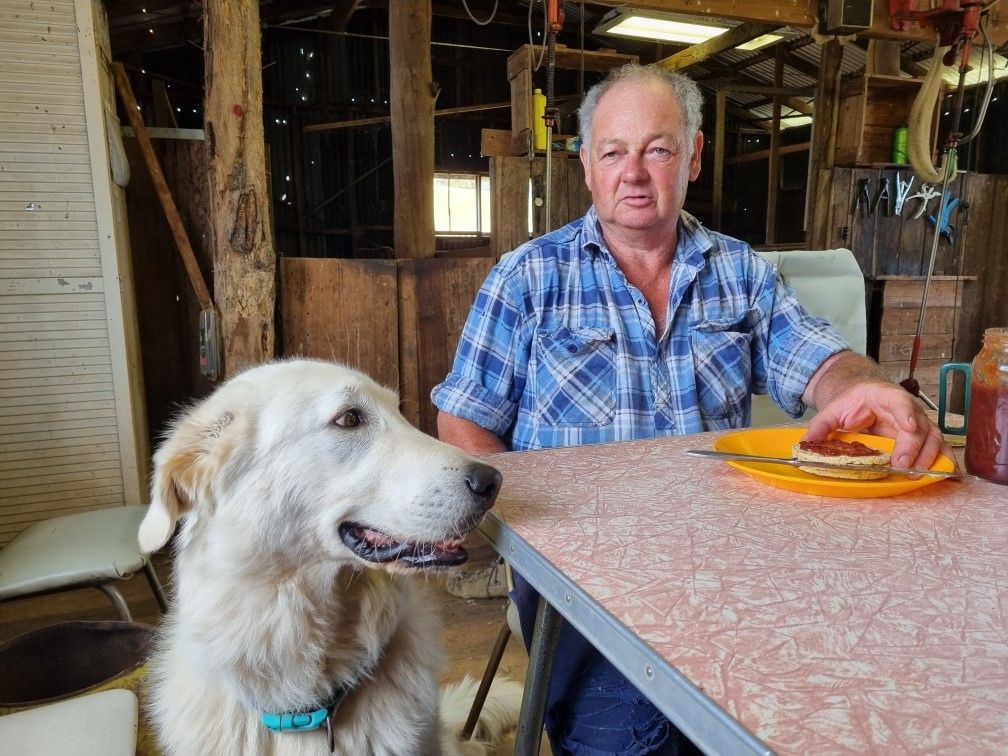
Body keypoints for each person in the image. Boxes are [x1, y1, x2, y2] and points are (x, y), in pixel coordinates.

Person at [432, 63, 945, 755]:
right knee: (625, 744)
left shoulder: (742, 273)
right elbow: (465, 423)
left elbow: (822, 363)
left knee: (824, 714)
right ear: (586, 166)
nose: (634, 172)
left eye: (658, 148)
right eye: (613, 151)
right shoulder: (528, 279)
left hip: (733, 569)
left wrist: (860, 384)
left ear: (694, 156)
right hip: (587, 583)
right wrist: (533, 544)